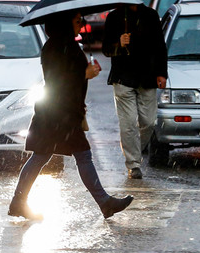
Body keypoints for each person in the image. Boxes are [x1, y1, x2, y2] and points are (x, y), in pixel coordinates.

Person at [9, 11, 134, 220]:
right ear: (65, 24)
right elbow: (57, 79)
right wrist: (83, 74)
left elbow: (67, 75)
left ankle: (18, 202)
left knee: (42, 156)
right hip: (59, 113)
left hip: (59, 112)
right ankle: (104, 202)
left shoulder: (65, 44)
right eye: (77, 21)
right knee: (77, 155)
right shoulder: (57, 46)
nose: (81, 25)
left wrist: (84, 72)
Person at [102, 0, 168, 179]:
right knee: (128, 123)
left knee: (148, 122)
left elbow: (159, 46)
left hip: (147, 77)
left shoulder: (150, 15)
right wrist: (119, 44)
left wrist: (161, 73)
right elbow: (106, 49)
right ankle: (133, 164)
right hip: (123, 78)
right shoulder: (114, 17)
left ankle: (135, 152)